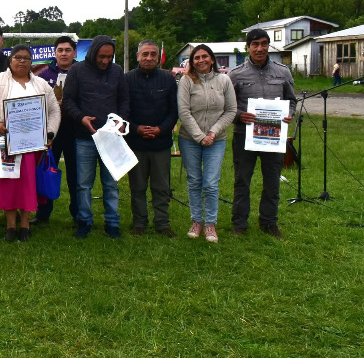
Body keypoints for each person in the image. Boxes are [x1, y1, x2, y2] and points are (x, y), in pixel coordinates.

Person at [0, 45, 61, 242]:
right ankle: (10, 226)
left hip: (32, 146)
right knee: (8, 185)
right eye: (18, 57)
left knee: (28, 186)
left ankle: (25, 224)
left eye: (26, 58)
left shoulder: (41, 84)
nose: (22, 61)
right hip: (4, 145)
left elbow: (54, 111)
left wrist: (49, 134)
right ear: (10, 60)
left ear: (31, 62)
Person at [228, 29, 296, 238]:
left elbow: (291, 100)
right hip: (244, 136)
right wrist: (240, 115)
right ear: (248, 47)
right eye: (255, 44)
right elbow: (227, 106)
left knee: (272, 180)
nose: (260, 48)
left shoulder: (283, 72)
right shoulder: (235, 74)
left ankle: (269, 222)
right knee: (242, 180)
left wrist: (289, 114)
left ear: (268, 45)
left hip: (274, 136)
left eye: (264, 44)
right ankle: (239, 223)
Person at [62, 35, 129, 239]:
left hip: (111, 137)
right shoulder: (77, 70)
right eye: (101, 56)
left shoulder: (117, 71)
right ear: (93, 53)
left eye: (109, 57)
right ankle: (84, 220)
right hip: (85, 137)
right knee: (83, 183)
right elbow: (68, 100)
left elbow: (124, 100)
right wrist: (81, 117)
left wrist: (121, 120)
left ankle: (112, 222)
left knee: (111, 183)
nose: (105, 61)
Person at [178, 44, 236, 243]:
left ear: (212, 59)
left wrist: (212, 132)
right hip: (189, 139)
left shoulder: (224, 80)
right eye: (196, 58)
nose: (201, 60)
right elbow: (183, 112)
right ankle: (197, 221)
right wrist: (199, 136)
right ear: (192, 62)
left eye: (205, 56)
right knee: (194, 180)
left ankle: (211, 223)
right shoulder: (186, 81)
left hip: (216, 140)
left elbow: (231, 110)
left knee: (210, 182)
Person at [124, 40, 178, 237]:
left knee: (161, 186)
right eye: (145, 54)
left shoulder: (168, 79)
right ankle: (139, 222)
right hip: (135, 142)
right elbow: (123, 110)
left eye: (153, 54)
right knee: (137, 186)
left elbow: (174, 111)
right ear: (137, 56)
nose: (149, 58)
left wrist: (160, 129)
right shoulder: (127, 79)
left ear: (158, 57)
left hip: (160, 143)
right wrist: (136, 129)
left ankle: (162, 223)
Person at [34, 36, 79, 224]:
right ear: (55, 53)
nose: (64, 54)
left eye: (68, 50)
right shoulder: (44, 75)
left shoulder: (82, 72)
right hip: (51, 132)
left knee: (76, 175)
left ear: (74, 53)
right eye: (60, 50)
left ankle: (78, 214)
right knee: (46, 170)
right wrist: (52, 104)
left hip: (76, 131)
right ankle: (43, 214)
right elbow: (35, 101)